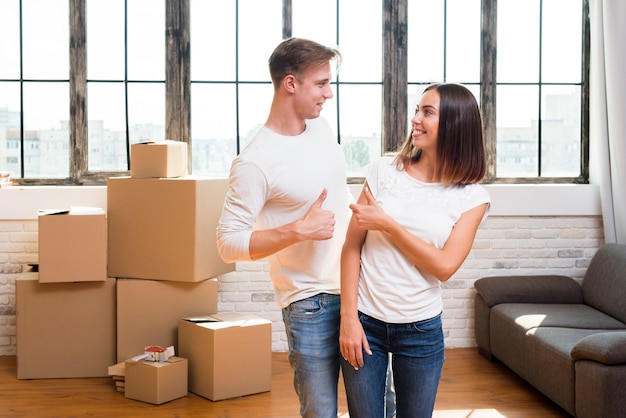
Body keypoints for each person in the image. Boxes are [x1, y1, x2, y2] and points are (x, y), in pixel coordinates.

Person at [216, 37, 352, 418]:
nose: (328, 94)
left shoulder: (321, 130)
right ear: (290, 84)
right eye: (321, 83)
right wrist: (298, 230)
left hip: (359, 289)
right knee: (320, 411)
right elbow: (228, 243)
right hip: (310, 301)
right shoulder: (255, 162)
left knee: (380, 405)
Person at [339, 82, 491, 418]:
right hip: (366, 322)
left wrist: (388, 224)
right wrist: (349, 318)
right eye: (417, 110)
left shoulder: (472, 197)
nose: (415, 119)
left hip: (420, 331)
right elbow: (351, 248)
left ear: (454, 123)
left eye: (428, 112)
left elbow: (444, 266)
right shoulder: (383, 171)